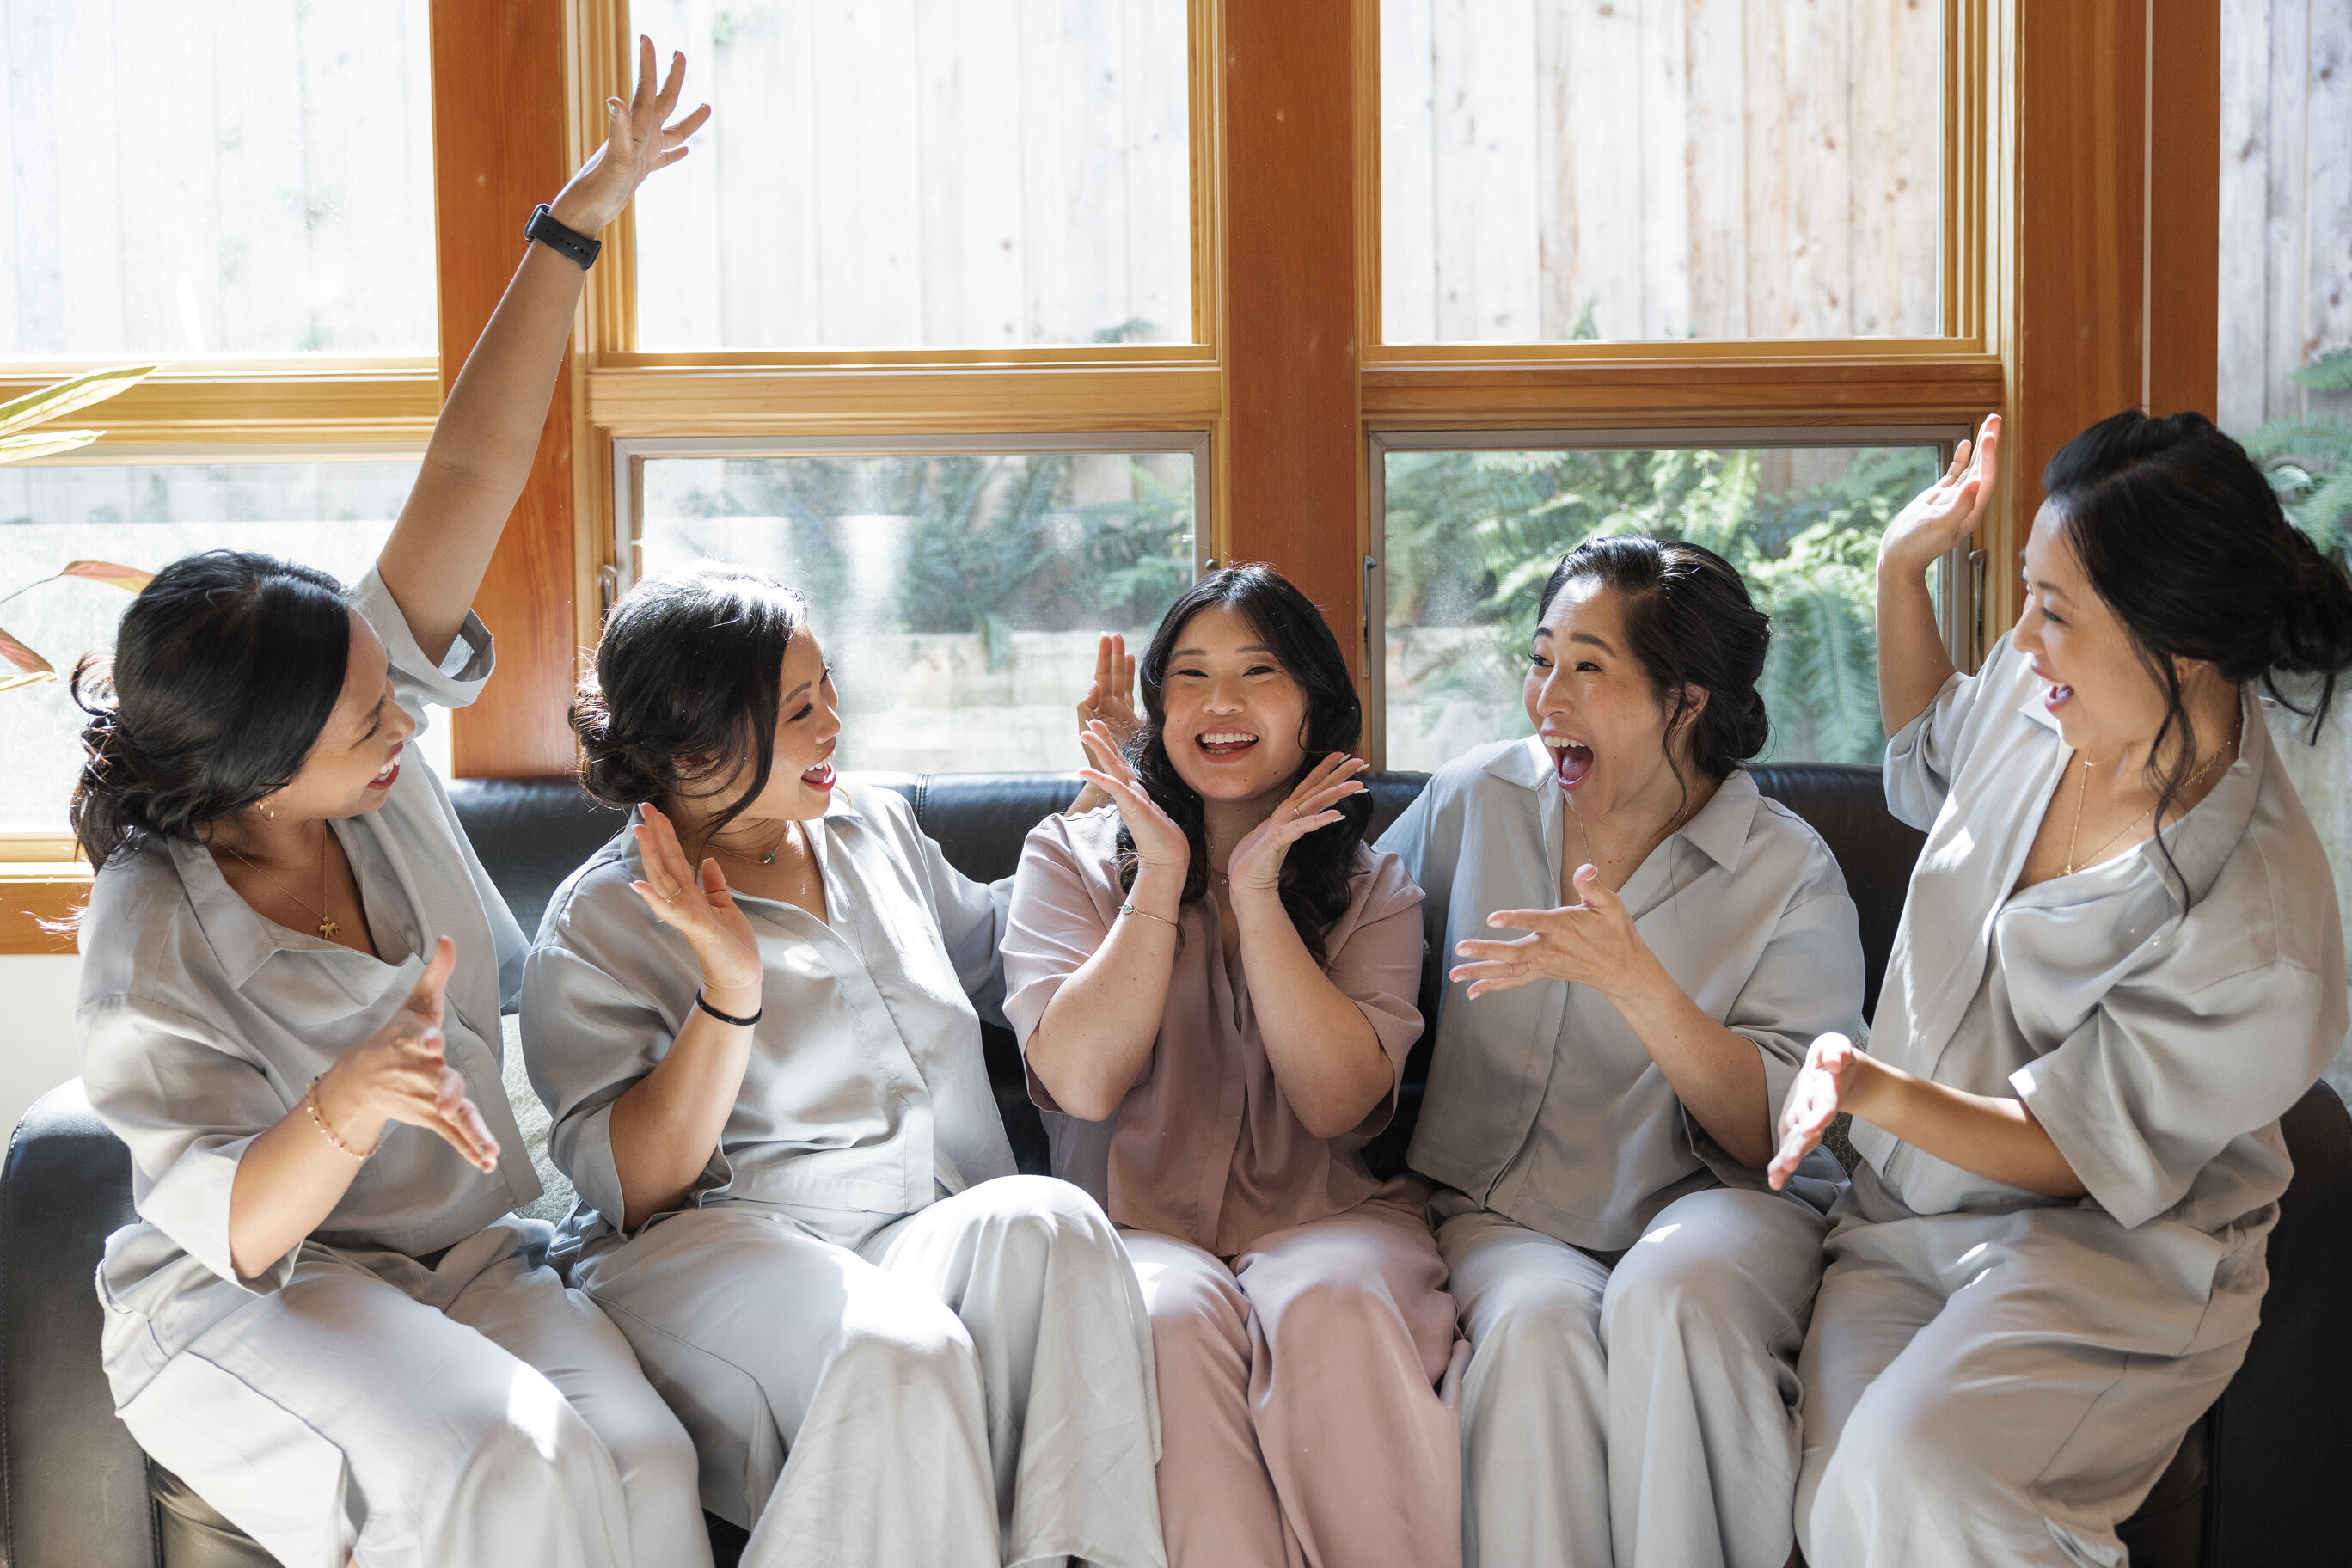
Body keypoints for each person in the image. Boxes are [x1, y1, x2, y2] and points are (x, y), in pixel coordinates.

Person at [69, 40, 713, 1568]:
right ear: (247, 761)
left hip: (474, 1259)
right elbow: (230, 1222)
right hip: (255, 1289)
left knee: (639, 1466)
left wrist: (578, 219)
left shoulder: (362, 758)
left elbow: (473, 464)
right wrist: (350, 1095)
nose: (404, 729)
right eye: (372, 716)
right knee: (503, 1460)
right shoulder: (154, 919)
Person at [1775, 410, 2352, 1567]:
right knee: (1839, 1501)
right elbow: (1927, 744)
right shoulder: (2043, 698)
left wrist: (1866, 1087)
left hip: (2113, 1258)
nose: (2026, 642)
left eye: (2054, 610)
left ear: (2174, 638)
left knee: (1920, 1473)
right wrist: (1901, 565)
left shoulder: (2259, 930)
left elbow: (2063, 1147)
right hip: (1901, 1221)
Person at [521, 563, 1166, 1568]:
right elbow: (640, 1189)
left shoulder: (872, 825)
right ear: (697, 742)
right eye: (798, 710)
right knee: (899, 1350)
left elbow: (1006, 943)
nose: (834, 729)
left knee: (1054, 1220)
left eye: (831, 696)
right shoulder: (603, 919)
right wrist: (728, 989)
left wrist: (1105, 797)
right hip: (721, 1248)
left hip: (917, 1226)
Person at [1378, 536, 1865, 1568]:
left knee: (1669, 1291)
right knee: (1537, 1332)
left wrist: (1637, 982)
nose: (1547, 696)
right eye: (1541, 657)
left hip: (1721, 1208)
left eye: (1589, 668)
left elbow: (1778, 1128)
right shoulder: (1476, 801)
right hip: (1503, 1210)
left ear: (1685, 701)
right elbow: (1346, 946)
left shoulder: (1787, 870)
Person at [1002, 566, 1465, 1568]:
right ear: (1157, 708)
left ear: (1315, 709)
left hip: (1330, 1218)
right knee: (1164, 1316)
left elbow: (1339, 1104)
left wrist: (1257, 895)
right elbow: (1081, 1080)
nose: (1221, 704)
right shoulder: (1066, 859)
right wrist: (1162, 878)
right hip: (1130, 1227)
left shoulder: (1374, 883)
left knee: (1332, 1301)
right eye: (1191, 676)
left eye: (1259, 673)